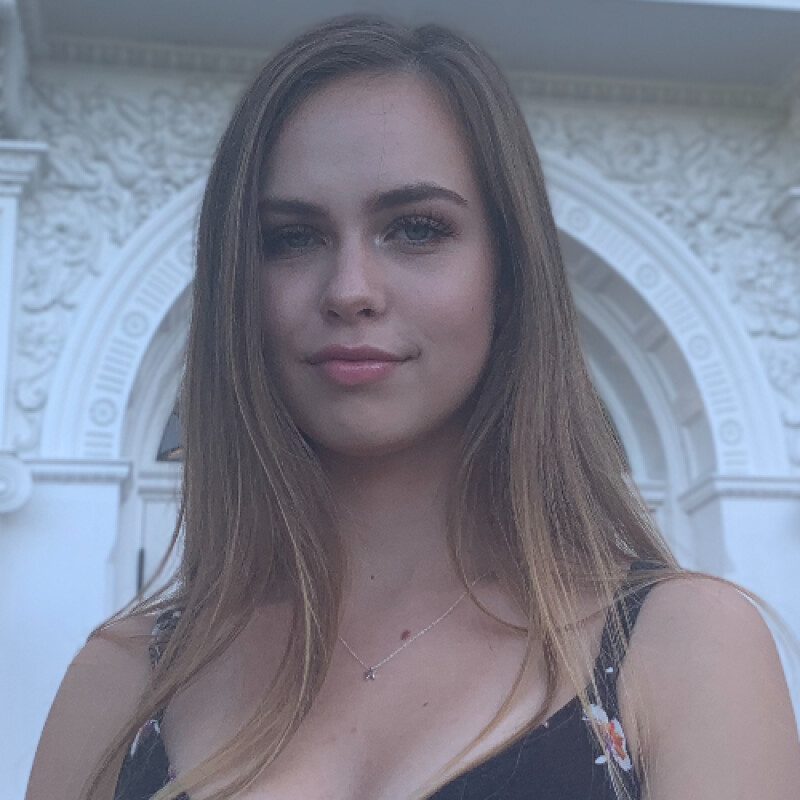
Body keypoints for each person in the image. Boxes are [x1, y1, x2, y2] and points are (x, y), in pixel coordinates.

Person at [26, 14, 800, 800]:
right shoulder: (120, 685)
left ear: (508, 273)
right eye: (291, 237)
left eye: (417, 228)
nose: (349, 290)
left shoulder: (684, 651)